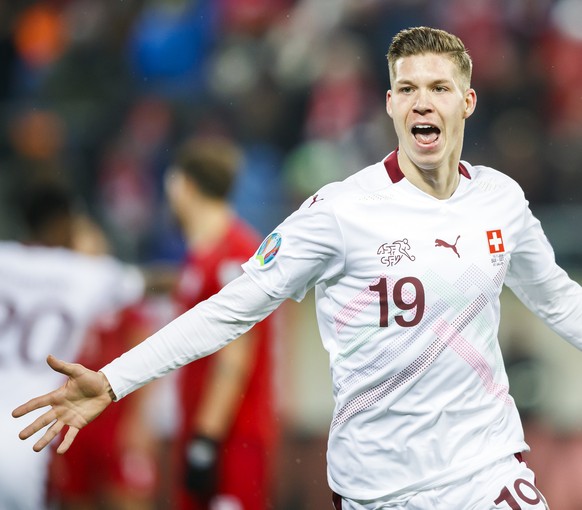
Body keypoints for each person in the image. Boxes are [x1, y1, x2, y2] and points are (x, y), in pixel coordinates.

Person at [13, 26, 579, 509]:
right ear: (389, 104)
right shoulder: (340, 212)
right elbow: (230, 309)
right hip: (382, 487)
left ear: (468, 101)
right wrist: (113, 380)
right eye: (407, 88)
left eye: (439, 88)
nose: (422, 102)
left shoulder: (500, 201)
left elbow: (557, 298)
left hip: (487, 469)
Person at [1, 184, 146, 510]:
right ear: (65, 223)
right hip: (34, 433)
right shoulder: (87, 273)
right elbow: (153, 283)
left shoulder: (4, 258)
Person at [163, 137, 279, 509]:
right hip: (203, 427)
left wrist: (206, 438)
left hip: (233, 437)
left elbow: (234, 356)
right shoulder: (201, 257)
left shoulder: (236, 253)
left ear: (186, 186)